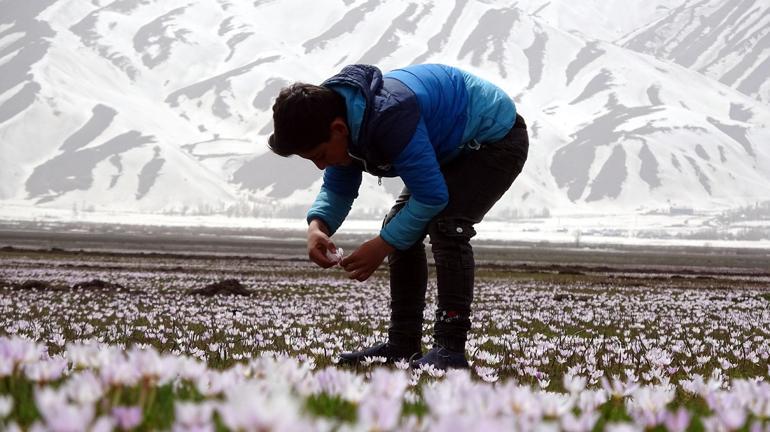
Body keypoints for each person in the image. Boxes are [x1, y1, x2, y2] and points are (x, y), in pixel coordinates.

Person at [268, 63, 528, 370]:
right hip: (450, 146)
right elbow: (338, 188)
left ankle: (450, 348)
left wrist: (381, 246)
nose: (321, 166)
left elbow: (432, 196)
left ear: (338, 130)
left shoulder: (389, 117)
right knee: (399, 228)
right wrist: (317, 226)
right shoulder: (337, 117)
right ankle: (403, 344)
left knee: (448, 225)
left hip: (495, 139)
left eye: (320, 156)